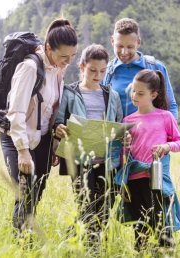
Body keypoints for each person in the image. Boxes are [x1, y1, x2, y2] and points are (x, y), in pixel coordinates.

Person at [0, 18, 78, 234]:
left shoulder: (58, 71)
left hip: (42, 140)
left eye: (72, 56)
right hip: (18, 140)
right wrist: (23, 152)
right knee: (26, 195)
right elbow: (16, 112)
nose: (68, 61)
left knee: (37, 193)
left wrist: (52, 146)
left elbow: (51, 111)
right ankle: (22, 244)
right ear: (48, 48)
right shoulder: (30, 67)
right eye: (63, 56)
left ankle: (25, 241)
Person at [53, 44, 123, 243]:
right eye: (92, 70)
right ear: (82, 67)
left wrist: (123, 137)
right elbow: (58, 121)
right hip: (79, 158)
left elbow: (118, 124)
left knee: (104, 208)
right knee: (86, 206)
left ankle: (70, 242)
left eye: (102, 71)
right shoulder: (69, 92)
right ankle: (91, 249)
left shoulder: (113, 95)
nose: (97, 75)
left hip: (107, 160)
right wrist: (58, 128)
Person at [115, 69, 180, 251]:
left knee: (163, 226)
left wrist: (166, 147)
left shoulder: (165, 117)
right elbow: (124, 156)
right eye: (133, 91)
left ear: (153, 94)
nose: (135, 96)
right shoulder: (127, 121)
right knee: (141, 229)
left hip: (157, 180)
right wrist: (122, 183)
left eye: (140, 93)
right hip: (134, 181)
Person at [103, 17, 178, 119]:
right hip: (118, 133)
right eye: (119, 46)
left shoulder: (156, 67)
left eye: (129, 47)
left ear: (138, 42)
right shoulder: (105, 71)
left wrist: (170, 131)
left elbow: (171, 105)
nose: (124, 52)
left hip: (151, 133)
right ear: (112, 41)